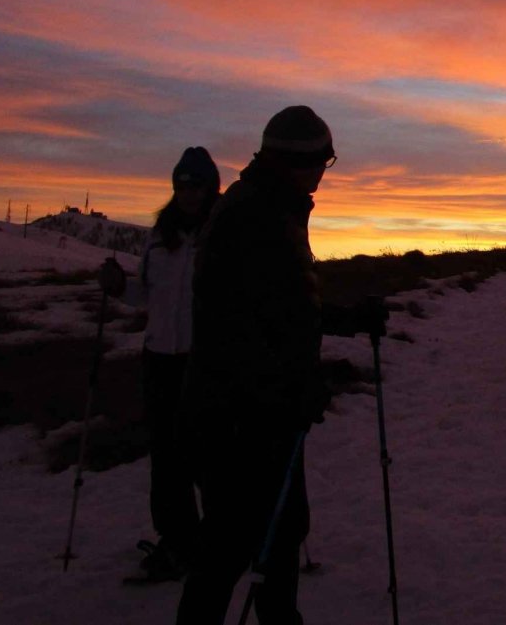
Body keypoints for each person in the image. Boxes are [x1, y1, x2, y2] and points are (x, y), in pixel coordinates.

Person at [176, 106, 386, 625]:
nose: (323, 176)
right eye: (323, 163)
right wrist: (287, 388)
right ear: (300, 161)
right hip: (239, 420)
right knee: (230, 546)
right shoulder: (258, 217)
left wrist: (349, 319)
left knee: (277, 532)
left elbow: (285, 308)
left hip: (256, 412)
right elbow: (237, 328)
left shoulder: (270, 207)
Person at [98, 146, 221, 581]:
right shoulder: (160, 235)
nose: (188, 192)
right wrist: (118, 289)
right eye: (182, 184)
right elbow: (148, 295)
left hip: (204, 361)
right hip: (160, 360)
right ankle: (179, 545)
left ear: (211, 187)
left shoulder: (222, 234)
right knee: (167, 461)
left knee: (208, 458)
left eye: (196, 184)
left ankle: (225, 537)